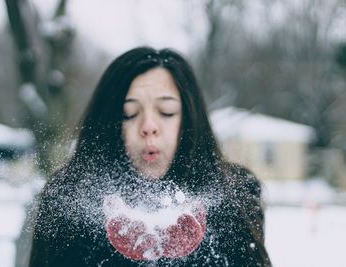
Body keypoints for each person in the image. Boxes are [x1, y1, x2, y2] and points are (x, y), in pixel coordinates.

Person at [28, 47, 272, 266]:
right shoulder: (68, 198)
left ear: (189, 119)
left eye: (166, 112)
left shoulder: (235, 195)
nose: (148, 126)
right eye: (129, 114)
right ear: (109, 124)